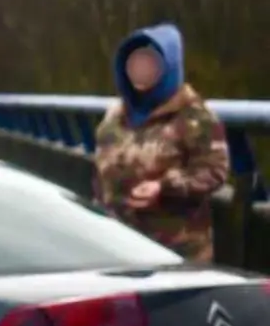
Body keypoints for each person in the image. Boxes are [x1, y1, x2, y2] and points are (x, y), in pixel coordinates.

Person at [94, 23, 230, 262]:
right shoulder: (114, 115)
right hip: (116, 245)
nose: (140, 69)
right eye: (134, 62)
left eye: (149, 62)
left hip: (175, 251)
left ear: (168, 67)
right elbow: (99, 171)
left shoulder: (195, 117)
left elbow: (215, 170)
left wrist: (164, 187)